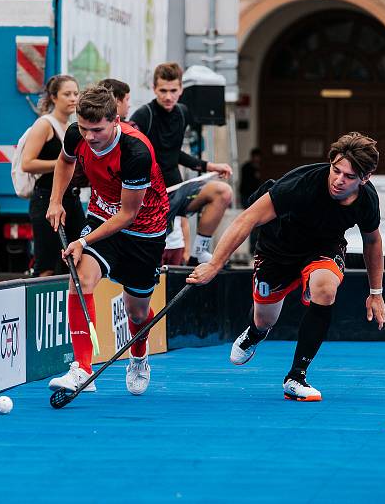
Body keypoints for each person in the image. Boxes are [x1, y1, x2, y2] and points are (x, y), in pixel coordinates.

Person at [187, 132, 385, 402]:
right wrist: (214, 264)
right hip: (277, 250)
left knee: (325, 289)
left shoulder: (367, 200)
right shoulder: (301, 183)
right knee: (264, 318)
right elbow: (247, 219)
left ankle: (296, 377)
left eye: (349, 177)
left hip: (323, 249)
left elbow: (372, 241)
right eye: (336, 170)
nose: (339, 180)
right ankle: (256, 332)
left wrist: (376, 292)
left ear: (366, 178)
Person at [46, 86, 169, 395]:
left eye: (97, 129)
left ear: (115, 120)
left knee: (137, 312)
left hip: (144, 231)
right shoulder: (77, 133)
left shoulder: (136, 151)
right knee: (80, 279)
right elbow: (64, 162)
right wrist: (55, 200)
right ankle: (83, 369)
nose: (89, 136)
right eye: (84, 128)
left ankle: (139, 357)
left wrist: (83, 242)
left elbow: (128, 214)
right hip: (102, 217)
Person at [130, 62, 233, 266]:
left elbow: (175, 154)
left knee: (223, 191)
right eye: (163, 91)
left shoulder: (183, 112)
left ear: (181, 90)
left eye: (173, 91)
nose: (168, 97)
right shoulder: (143, 115)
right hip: (151, 196)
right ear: (154, 89)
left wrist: (211, 166)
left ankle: (199, 252)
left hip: (177, 191)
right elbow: (130, 155)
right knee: (155, 258)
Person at [21, 75, 85, 277]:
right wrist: (63, 164)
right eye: (67, 94)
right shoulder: (45, 124)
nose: (73, 98)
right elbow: (27, 163)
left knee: (79, 259)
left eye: (76, 93)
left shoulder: (74, 127)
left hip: (72, 200)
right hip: (46, 199)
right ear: (54, 97)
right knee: (46, 263)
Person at [240, 147, 264, 254]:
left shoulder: (260, 168)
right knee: (250, 223)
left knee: (257, 225)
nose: (257, 159)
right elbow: (246, 185)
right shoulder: (247, 167)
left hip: (256, 198)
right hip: (248, 197)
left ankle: (255, 247)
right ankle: (251, 248)